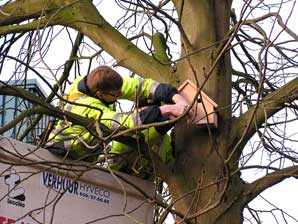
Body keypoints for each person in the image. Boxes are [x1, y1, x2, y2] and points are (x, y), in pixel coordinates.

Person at [45, 66, 192, 169]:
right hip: (65, 154)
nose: (120, 95)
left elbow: (141, 86)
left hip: (85, 154)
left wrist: (174, 95)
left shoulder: (101, 82)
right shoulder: (87, 108)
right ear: (100, 95)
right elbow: (126, 123)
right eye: (116, 94)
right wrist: (167, 109)